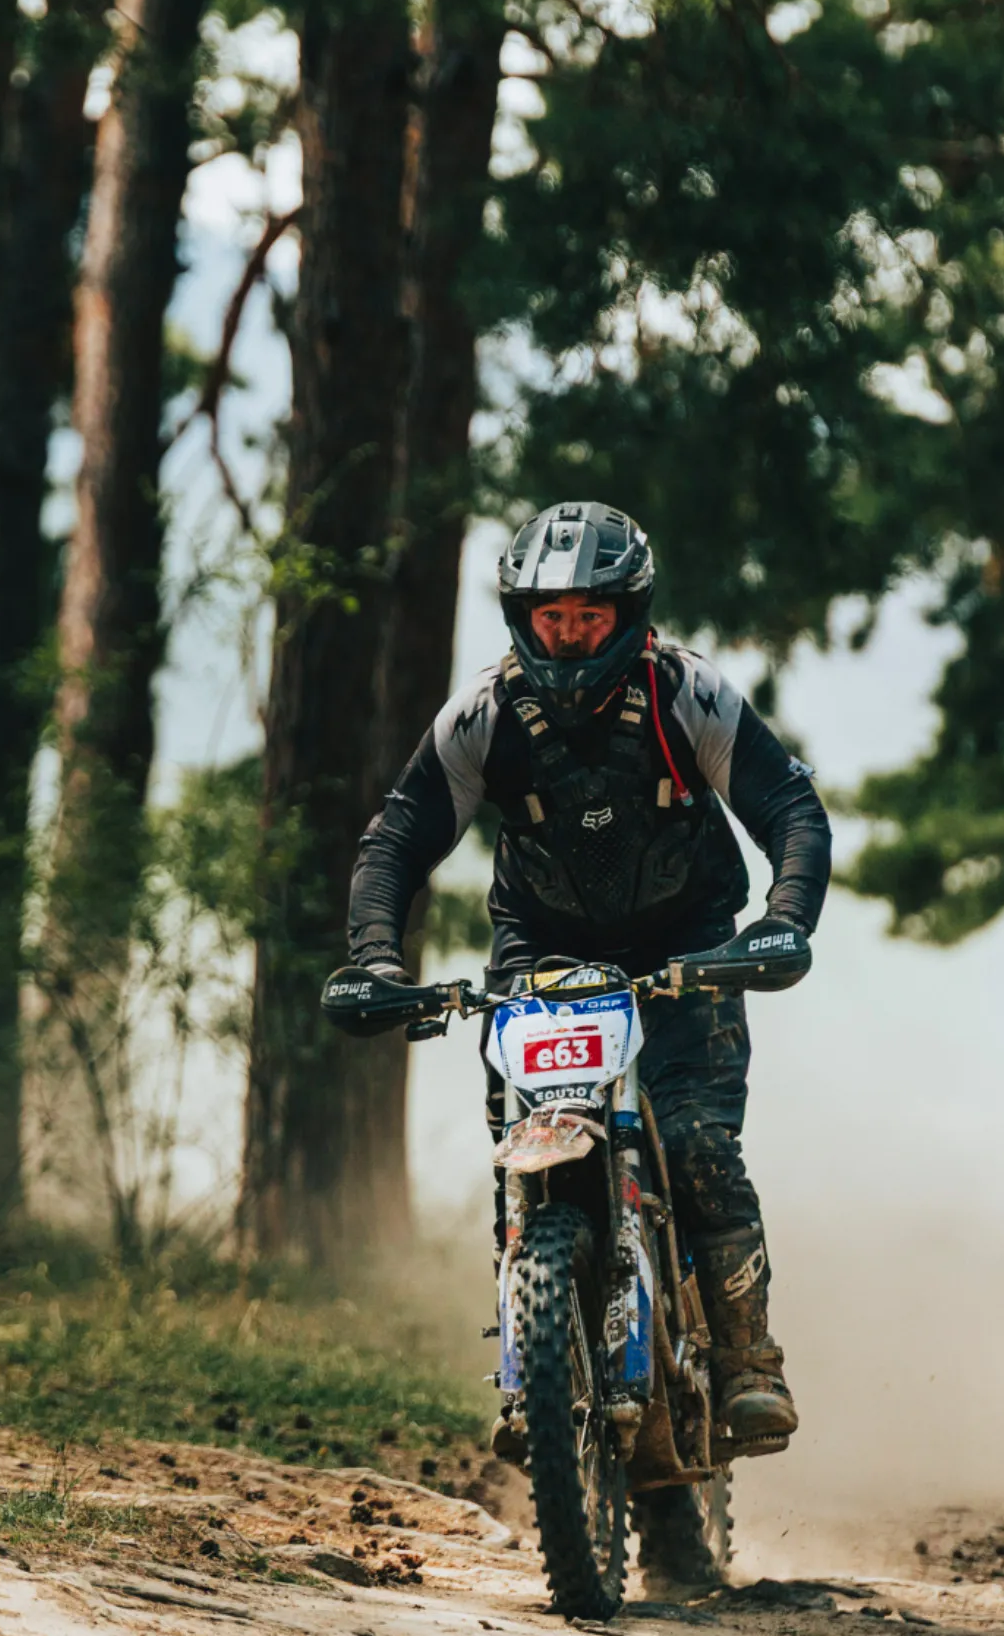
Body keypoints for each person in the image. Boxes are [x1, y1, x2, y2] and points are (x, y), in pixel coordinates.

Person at [345, 499, 832, 1458]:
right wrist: (372, 957)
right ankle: (540, 1346)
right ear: (519, 617)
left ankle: (746, 1360)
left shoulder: (686, 692)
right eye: (549, 617)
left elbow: (790, 809)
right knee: (522, 1153)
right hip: (538, 955)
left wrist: (781, 923)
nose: (567, 636)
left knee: (695, 1143)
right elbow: (397, 836)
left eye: (587, 618)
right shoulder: (482, 714)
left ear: (628, 614)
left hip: (686, 951)